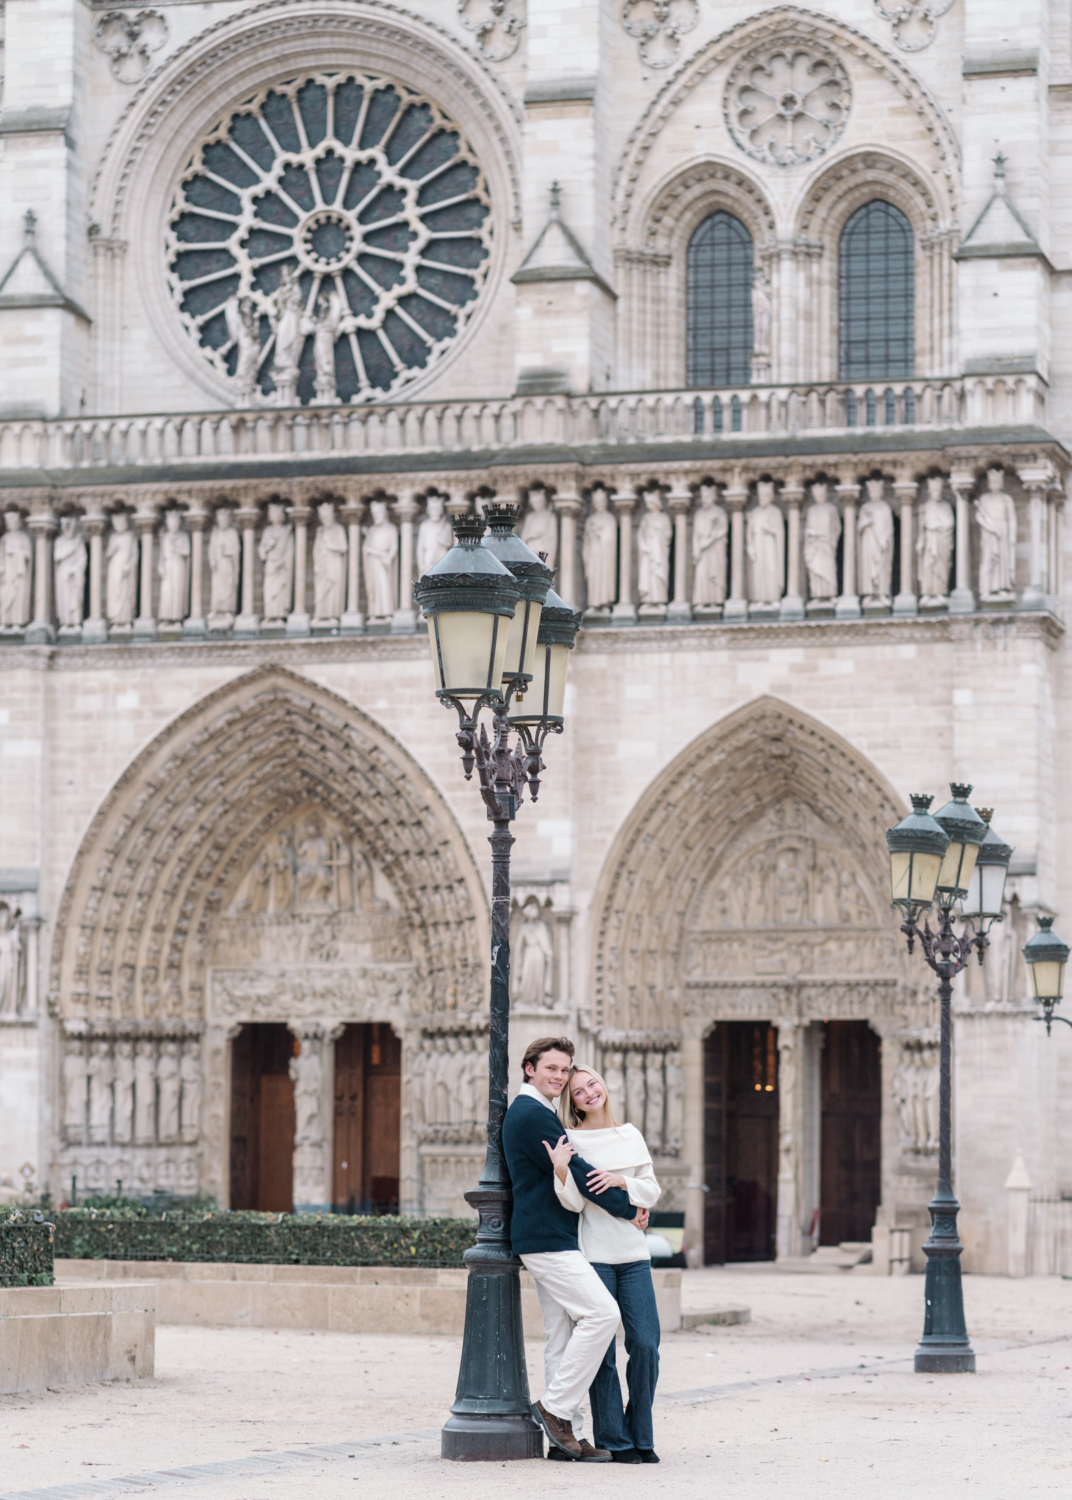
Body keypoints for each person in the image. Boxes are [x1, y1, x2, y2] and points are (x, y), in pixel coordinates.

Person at [501, 1036, 647, 1462]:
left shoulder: (536, 1111)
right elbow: (582, 1175)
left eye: (565, 1070)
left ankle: (567, 1440)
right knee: (603, 1314)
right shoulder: (531, 1114)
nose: (560, 1077)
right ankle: (555, 1408)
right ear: (529, 1068)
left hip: (549, 1236)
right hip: (547, 1239)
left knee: (560, 1336)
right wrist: (629, 1207)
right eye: (552, 1068)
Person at [547, 1066, 662, 1464]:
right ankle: (614, 1439)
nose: (589, 1093)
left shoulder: (630, 1134)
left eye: (592, 1083)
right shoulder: (572, 1140)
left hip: (634, 1257)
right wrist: (563, 1170)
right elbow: (576, 1203)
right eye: (579, 1091)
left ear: (604, 1085)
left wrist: (620, 1181)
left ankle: (641, 1433)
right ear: (573, 1102)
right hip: (594, 1256)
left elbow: (652, 1189)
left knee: (646, 1344)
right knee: (604, 1355)